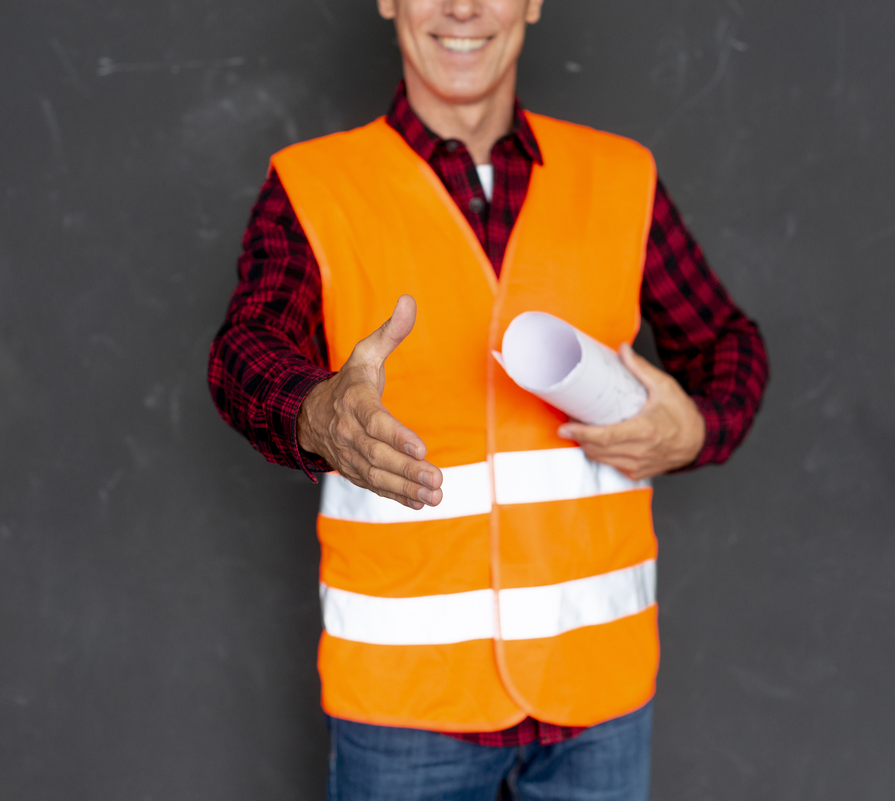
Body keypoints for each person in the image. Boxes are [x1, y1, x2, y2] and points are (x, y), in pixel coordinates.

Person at [208, 0, 769, 798]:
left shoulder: (620, 176)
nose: (463, 7)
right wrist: (315, 411)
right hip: (406, 709)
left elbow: (727, 342)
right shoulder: (313, 186)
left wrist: (698, 428)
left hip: (597, 701)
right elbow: (243, 351)